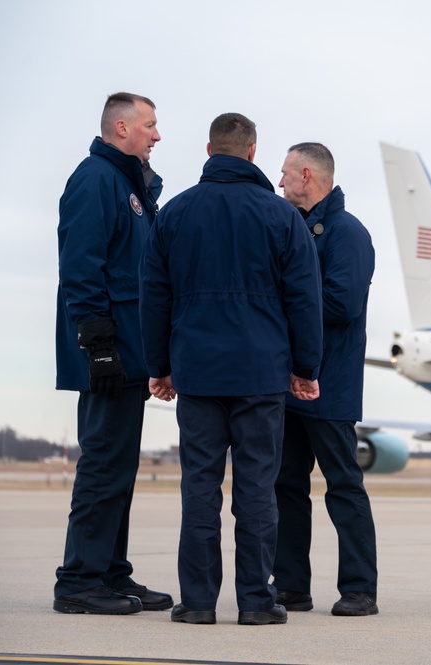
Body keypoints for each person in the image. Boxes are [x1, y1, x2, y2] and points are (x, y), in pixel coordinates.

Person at [139, 114, 324, 626]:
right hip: (261, 374)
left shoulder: (173, 215)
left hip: (196, 373)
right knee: (256, 489)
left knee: (199, 487)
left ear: (208, 149)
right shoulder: (280, 216)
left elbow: (154, 296)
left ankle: (197, 603)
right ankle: (256, 602)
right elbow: (304, 300)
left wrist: (160, 366)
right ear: (252, 152)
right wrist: (305, 366)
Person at [53, 92, 173, 615]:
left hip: (129, 352)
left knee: (119, 469)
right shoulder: (95, 179)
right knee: (102, 466)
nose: (157, 134)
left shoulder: (132, 187)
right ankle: (78, 582)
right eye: (149, 125)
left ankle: (110, 573)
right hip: (108, 353)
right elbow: (81, 268)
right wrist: (97, 346)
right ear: (121, 127)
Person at [272, 143, 379, 617]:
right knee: (285, 485)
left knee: (343, 486)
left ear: (307, 175)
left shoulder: (348, 233)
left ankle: (359, 589)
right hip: (288, 383)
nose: (279, 182)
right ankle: (291, 586)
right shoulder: (290, 228)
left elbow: (342, 304)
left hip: (329, 385)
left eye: (285, 173)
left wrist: (280, 301)